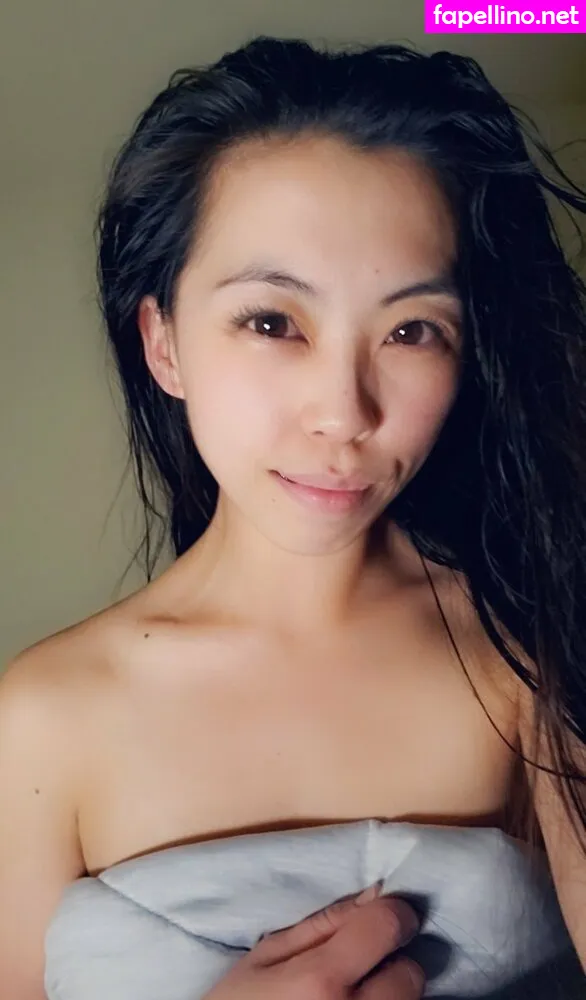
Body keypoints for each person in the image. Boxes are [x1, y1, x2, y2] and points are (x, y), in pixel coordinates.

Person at [1, 32, 586, 1000]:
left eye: (411, 330)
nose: (344, 413)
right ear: (164, 344)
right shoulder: (44, 716)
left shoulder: (528, 646)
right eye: (272, 321)